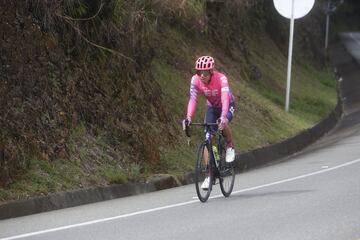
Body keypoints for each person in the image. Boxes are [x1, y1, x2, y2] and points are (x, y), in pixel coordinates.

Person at [183, 56, 236, 189]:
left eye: (205, 72)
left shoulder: (221, 79)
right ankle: (209, 175)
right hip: (212, 107)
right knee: (207, 137)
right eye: (199, 72)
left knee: (223, 123)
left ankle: (230, 145)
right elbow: (193, 99)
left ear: (211, 72)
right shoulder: (195, 80)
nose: (202, 75)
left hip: (227, 104)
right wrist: (188, 117)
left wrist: (223, 116)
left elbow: (225, 99)